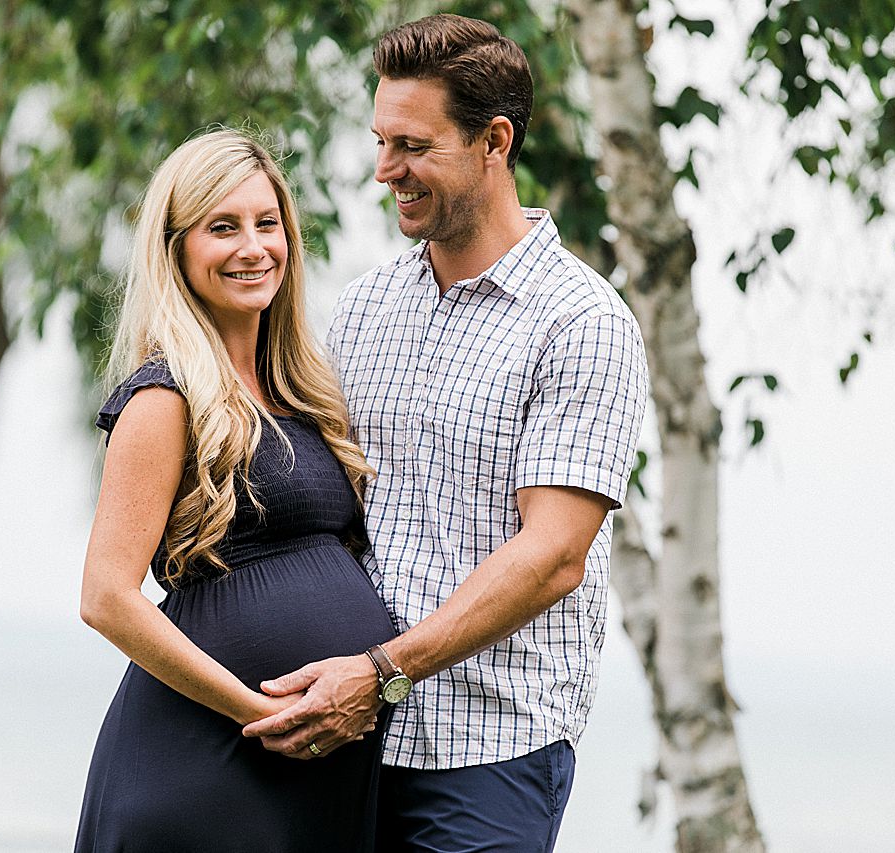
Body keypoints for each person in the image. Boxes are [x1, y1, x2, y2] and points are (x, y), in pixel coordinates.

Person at [243, 14, 649, 852]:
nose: (386, 169)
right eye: (381, 141)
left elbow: (553, 556)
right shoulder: (362, 310)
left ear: (494, 141)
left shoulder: (583, 323)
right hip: (344, 740)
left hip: (489, 754)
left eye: (413, 146)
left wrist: (382, 672)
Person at [74, 128, 396, 852]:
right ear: (177, 250)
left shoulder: (302, 392)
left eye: (266, 223)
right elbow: (105, 596)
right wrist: (257, 710)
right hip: (211, 765)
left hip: (308, 776)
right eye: (223, 227)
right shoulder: (165, 398)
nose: (254, 248)